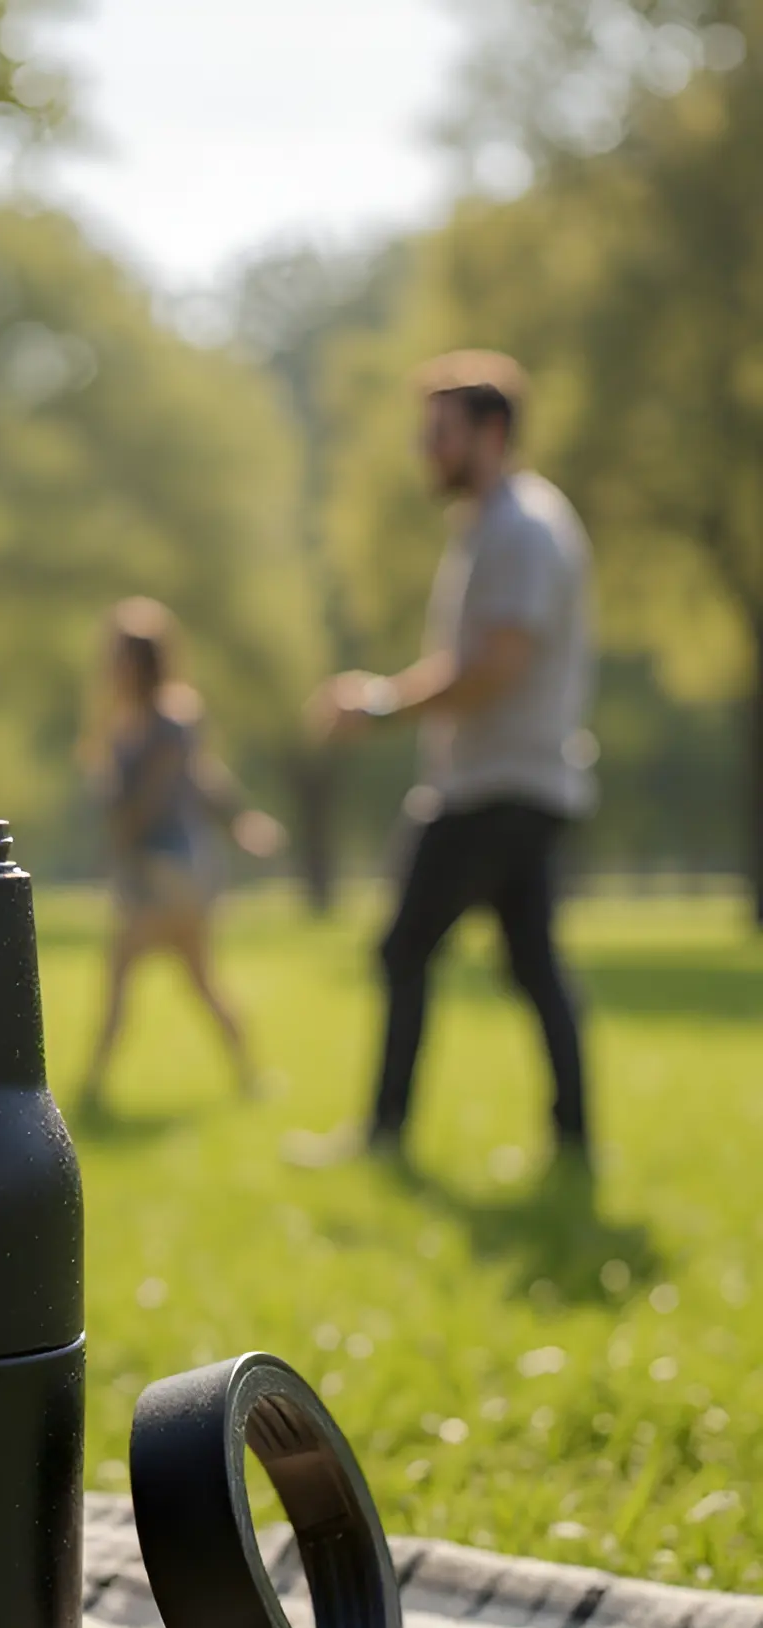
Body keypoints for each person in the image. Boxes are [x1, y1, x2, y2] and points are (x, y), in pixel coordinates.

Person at [301, 351, 595, 1166]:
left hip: (499, 785)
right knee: (532, 964)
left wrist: (382, 703)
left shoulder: (522, 529)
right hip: (511, 782)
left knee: (402, 949)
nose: (425, 450)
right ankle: (574, 1142)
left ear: (491, 432)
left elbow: (498, 665)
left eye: (441, 433)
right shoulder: (491, 526)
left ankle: (385, 1135)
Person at [78, 597, 285, 1111]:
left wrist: (119, 841)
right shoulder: (131, 722)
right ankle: (250, 1077)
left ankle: (91, 1088)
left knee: (125, 974)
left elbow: (162, 792)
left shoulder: (170, 719)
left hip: (169, 869)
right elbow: (200, 779)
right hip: (161, 868)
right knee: (198, 981)